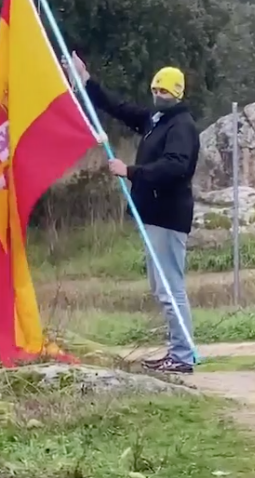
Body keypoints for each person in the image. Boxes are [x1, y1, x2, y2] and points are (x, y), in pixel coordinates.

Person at [71, 52, 199, 374]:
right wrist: (87, 82)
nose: (158, 96)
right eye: (155, 90)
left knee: (171, 287)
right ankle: (177, 351)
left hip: (168, 216)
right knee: (162, 288)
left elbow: (176, 166)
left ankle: (183, 356)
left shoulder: (181, 126)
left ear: (177, 94)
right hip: (152, 214)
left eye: (164, 92)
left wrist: (131, 171)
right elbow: (121, 109)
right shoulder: (157, 120)